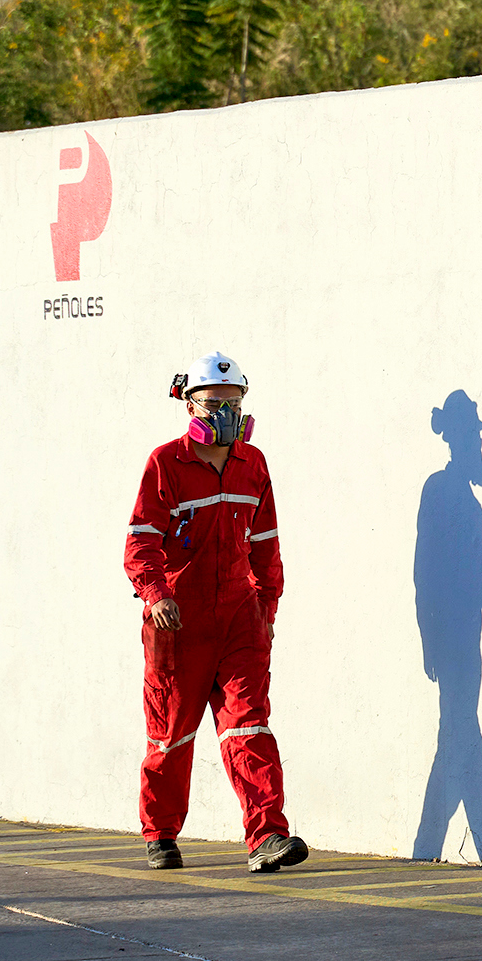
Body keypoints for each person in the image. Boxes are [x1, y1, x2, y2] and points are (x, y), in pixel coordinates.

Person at [124, 353, 308, 875]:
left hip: (239, 618)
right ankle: (160, 833)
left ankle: (267, 835)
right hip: (176, 623)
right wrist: (156, 595)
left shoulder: (254, 464)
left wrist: (267, 605)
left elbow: (265, 541)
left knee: (249, 726)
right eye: (214, 403)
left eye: (235, 403)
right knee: (171, 734)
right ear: (190, 405)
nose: (226, 412)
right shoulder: (166, 463)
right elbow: (140, 543)